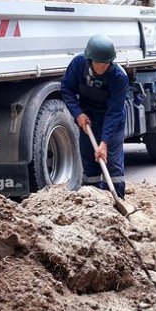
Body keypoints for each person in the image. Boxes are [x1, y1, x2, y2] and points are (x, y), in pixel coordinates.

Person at [60, 34, 129, 198]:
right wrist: (78, 114)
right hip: (87, 120)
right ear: (90, 59)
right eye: (98, 63)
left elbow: (114, 112)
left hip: (111, 121)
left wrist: (104, 143)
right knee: (90, 164)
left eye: (105, 63)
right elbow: (66, 89)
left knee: (112, 165)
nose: (101, 67)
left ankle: (117, 201)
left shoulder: (119, 77)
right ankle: (92, 201)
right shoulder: (78, 64)